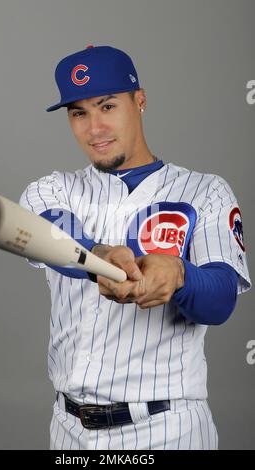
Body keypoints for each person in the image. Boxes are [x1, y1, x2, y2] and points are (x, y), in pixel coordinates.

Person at [19, 44, 251, 450]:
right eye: (79, 113)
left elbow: (220, 301)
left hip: (168, 428)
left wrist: (179, 275)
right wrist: (97, 258)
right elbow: (44, 232)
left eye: (107, 106)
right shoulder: (52, 189)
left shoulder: (205, 191)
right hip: (69, 428)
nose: (94, 128)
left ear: (139, 101)